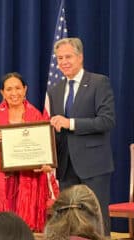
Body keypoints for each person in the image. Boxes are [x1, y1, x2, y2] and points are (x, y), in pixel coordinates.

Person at [48, 37, 115, 235]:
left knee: (97, 218)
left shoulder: (98, 82)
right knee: (69, 222)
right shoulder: (55, 90)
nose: (63, 62)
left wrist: (71, 123)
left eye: (68, 56)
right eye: (59, 58)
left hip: (93, 165)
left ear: (80, 57)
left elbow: (107, 121)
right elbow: (57, 130)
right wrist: (48, 158)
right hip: (66, 165)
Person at [0, 72, 52, 236]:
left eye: (17, 88)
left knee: (22, 225)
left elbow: (44, 148)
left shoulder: (35, 115)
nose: (14, 93)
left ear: (25, 90)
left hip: (28, 177)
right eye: (9, 89)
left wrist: (43, 163)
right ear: (2, 93)